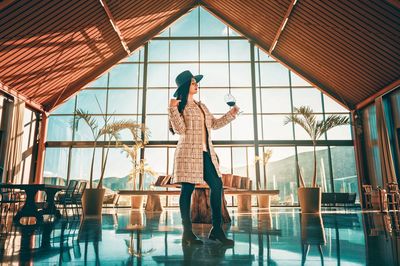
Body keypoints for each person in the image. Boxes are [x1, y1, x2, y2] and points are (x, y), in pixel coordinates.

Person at [168, 70, 239, 246]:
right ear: (186, 87)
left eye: (195, 82)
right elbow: (180, 130)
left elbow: (214, 124)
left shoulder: (202, 106)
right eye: (193, 83)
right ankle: (187, 233)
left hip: (206, 153)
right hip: (187, 154)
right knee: (187, 191)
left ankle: (217, 230)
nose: (196, 85)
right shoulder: (178, 106)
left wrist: (231, 114)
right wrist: (172, 109)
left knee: (217, 185)